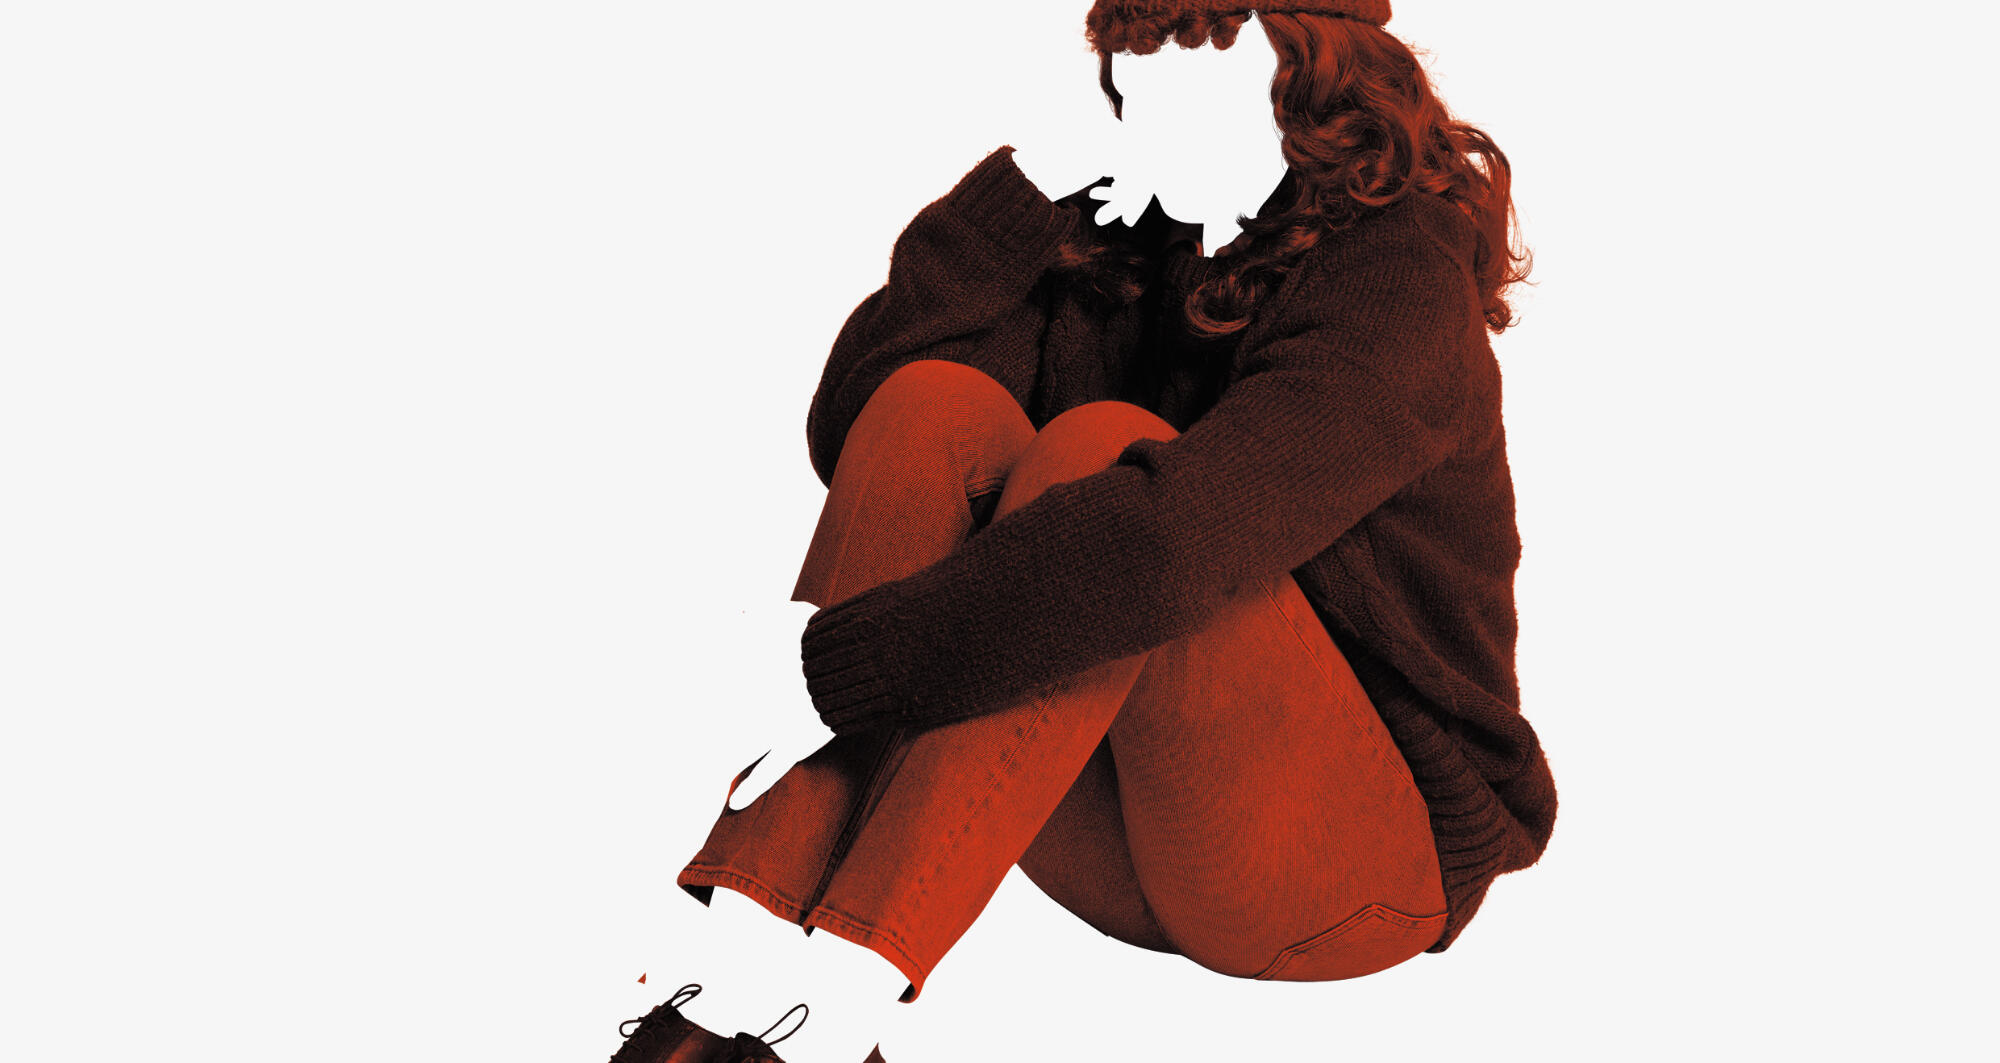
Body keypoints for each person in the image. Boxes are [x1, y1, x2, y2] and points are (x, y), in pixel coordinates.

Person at [607, 3, 1558, 1061]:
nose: (1152, 98)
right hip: (1110, 833)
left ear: (1309, 77)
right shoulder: (1122, 236)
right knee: (932, 408)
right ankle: (728, 965)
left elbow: (1164, 544)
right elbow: (859, 435)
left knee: (1101, 455)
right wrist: (1016, 198)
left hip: (1339, 871)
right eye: (1136, 62)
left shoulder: (1399, 272)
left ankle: (831, 1014)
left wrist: (827, 672)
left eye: (1197, 60)